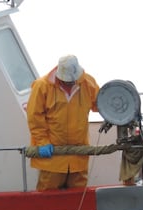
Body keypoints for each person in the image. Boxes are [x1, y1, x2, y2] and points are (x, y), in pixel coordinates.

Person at [26, 55, 100, 191]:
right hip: (52, 157)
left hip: (79, 156)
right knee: (48, 200)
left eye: (73, 80)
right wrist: (42, 142)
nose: (70, 83)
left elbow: (102, 104)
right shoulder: (41, 86)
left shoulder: (88, 83)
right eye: (67, 81)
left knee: (78, 198)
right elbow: (34, 117)